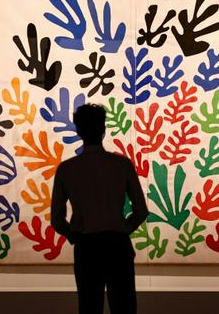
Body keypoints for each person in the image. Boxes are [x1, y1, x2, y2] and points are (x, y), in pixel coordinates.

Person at [51, 103, 148, 314]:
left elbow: (56, 219)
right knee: (124, 308)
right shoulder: (122, 164)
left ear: (78, 131)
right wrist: (123, 229)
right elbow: (141, 210)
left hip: (86, 247)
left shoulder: (67, 169)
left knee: (89, 307)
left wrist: (73, 235)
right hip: (117, 245)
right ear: (103, 128)